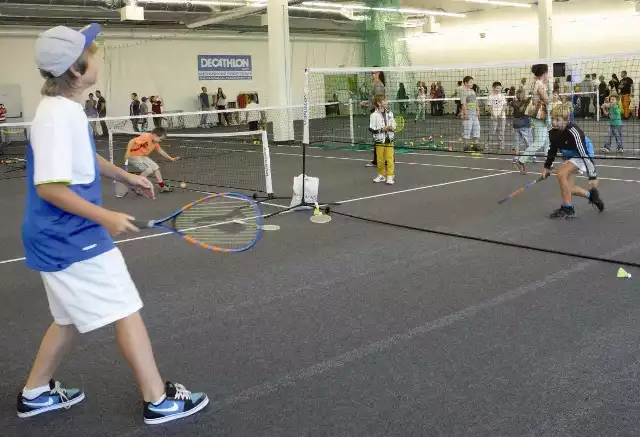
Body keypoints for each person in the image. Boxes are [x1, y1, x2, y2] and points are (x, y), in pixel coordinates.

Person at [19, 23, 208, 424]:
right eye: (94, 51)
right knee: (126, 310)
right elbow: (51, 187)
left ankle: (35, 392)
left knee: (67, 319)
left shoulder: (65, 110)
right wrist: (107, 216)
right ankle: (158, 400)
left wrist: (124, 176)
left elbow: (82, 160)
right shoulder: (56, 118)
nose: (100, 55)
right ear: (76, 70)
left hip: (59, 236)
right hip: (71, 237)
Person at [542, 102, 604, 219]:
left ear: (566, 120)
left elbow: (583, 153)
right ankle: (592, 197)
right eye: (553, 119)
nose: (554, 122)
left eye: (558, 119)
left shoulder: (574, 131)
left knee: (561, 174)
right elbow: (553, 149)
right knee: (568, 188)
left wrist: (592, 175)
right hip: (571, 155)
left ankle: (568, 209)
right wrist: (546, 167)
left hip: (583, 154)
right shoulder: (552, 131)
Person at [512, 64, 551, 174]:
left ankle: (549, 164)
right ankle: (521, 160)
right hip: (540, 116)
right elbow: (547, 100)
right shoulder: (539, 84)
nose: (548, 75)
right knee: (539, 142)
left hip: (543, 116)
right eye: (547, 72)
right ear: (544, 73)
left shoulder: (538, 83)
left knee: (547, 140)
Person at [125, 127, 178, 193]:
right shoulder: (146, 137)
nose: (160, 141)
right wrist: (127, 152)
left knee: (156, 168)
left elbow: (161, 151)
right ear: (155, 135)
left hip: (142, 156)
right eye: (160, 139)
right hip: (133, 156)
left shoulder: (155, 142)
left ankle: (162, 186)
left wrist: (171, 158)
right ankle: (136, 185)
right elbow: (132, 141)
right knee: (148, 170)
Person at [369, 94, 396, 185]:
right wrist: (382, 129)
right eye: (384, 100)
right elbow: (372, 129)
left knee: (390, 158)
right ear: (379, 103)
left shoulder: (390, 113)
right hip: (379, 140)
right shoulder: (373, 115)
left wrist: (392, 127)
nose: (387, 102)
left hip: (389, 139)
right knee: (380, 160)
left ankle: (390, 175)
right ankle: (381, 175)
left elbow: (394, 125)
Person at [364, 70, 386, 168]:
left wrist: (376, 110)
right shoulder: (375, 84)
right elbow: (374, 99)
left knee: (379, 136)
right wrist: (366, 103)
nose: (371, 74)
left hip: (377, 112)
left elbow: (379, 100)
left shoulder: (378, 85)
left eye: (373, 73)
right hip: (375, 111)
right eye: (371, 73)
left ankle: (379, 161)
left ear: (378, 74)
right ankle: (378, 160)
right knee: (377, 137)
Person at [510, 89, 531, 163]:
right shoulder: (527, 102)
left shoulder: (513, 103)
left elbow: (513, 104)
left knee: (517, 141)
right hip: (524, 124)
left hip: (516, 125)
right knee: (528, 141)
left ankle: (516, 157)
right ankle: (533, 156)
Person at [461, 76, 481, 152]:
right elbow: (463, 103)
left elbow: (476, 102)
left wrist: (478, 111)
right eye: (470, 82)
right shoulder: (463, 92)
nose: (472, 83)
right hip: (468, 113)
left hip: (474, 114)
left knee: (477, 128)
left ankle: (476, 145)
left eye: (472, 82)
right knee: (467, 129)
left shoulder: (472, 91)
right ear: (466, 83)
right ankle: (466, 146)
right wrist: (465, 114)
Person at [488, 81, 507, 151]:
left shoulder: (502, 96)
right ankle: (488, 144)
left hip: (502, 117)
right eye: (497, 88)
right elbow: (489, 107)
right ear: (493, 88)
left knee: (501, 132)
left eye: (499, 88)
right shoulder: (490, 96)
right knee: (492, 131)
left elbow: (505, 105)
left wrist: (501, 113)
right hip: (494, 117)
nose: (498, 89)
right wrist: (493, 114)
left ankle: (501, 145)